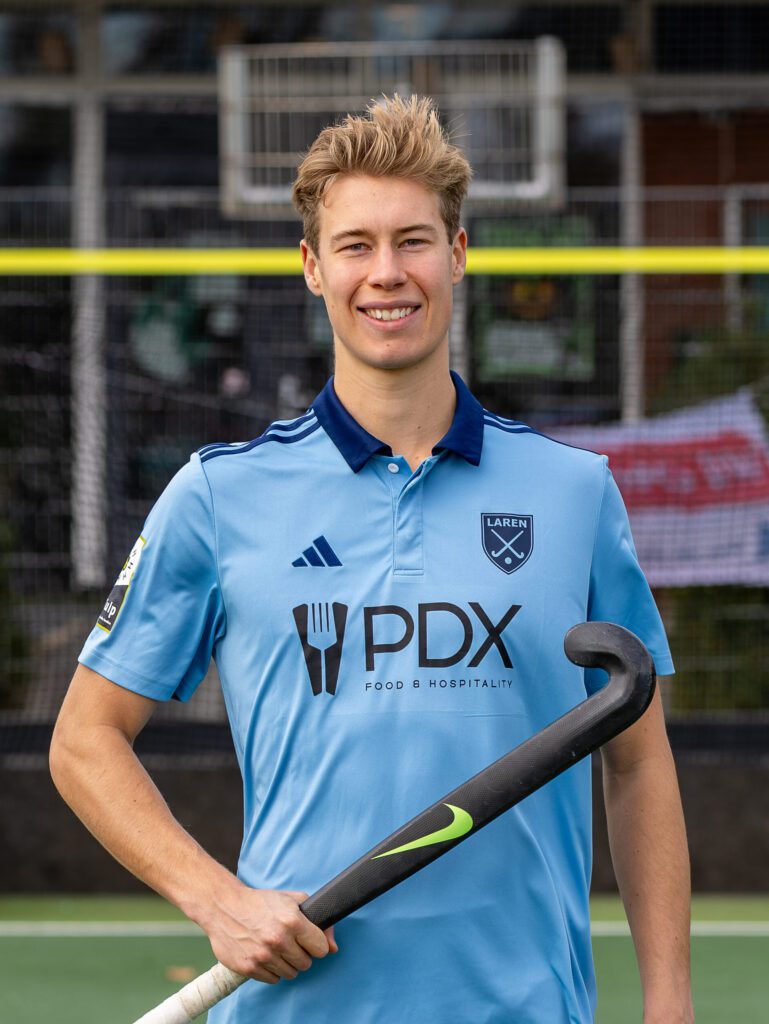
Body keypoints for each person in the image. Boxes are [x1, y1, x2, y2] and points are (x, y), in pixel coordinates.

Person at [50, 95, 693, 1024]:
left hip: (521, 1008)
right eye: (354, 245)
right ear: (313, 267)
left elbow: (637, 764)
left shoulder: (573, 493)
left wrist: (668, 1003)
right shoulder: (219, 496)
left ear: (457, 253)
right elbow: (83, 740)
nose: (386, 273)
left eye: (412, 241)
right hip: (296, 1009)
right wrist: (216, 900)